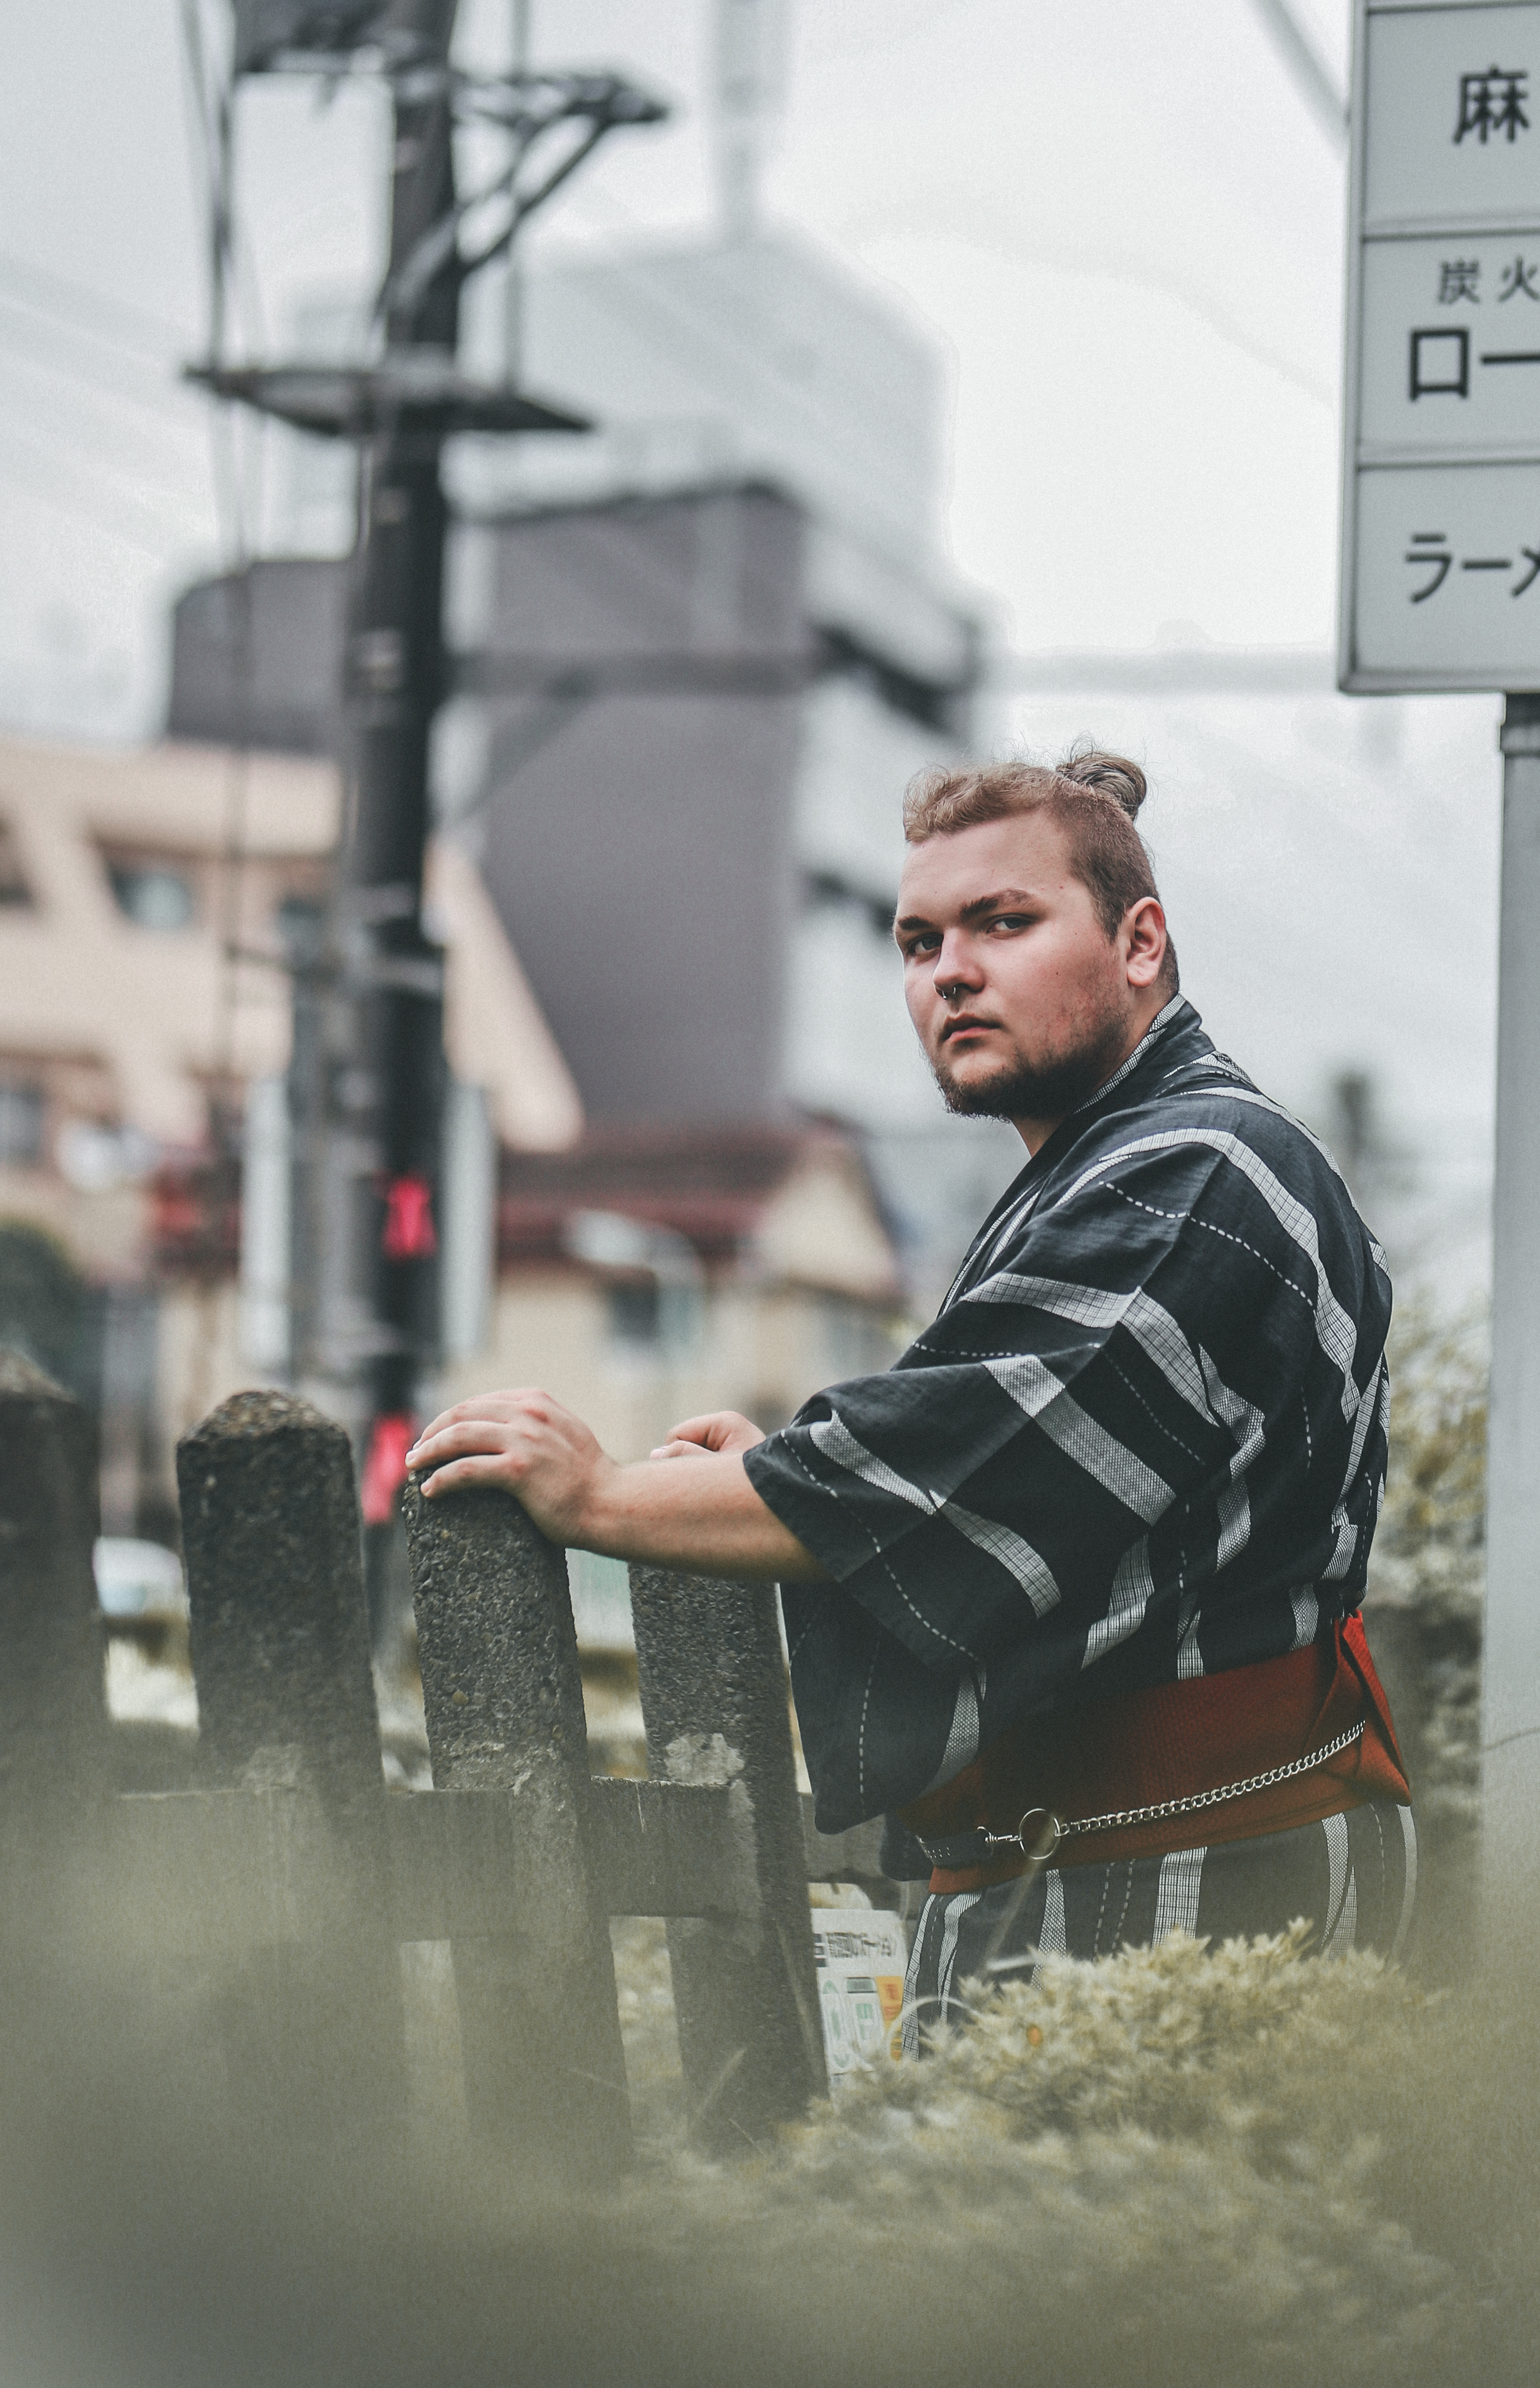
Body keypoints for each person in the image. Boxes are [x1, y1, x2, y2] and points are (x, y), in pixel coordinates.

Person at [407, 750, 1413, 2032]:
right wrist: (771, 1478)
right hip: (1128, 1856)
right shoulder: (1125, 1161)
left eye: (1006, 923)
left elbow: (951, 1471)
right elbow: (1010, 1468)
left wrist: (599, 1495)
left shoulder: (1200, 1171)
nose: (951, 971)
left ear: (1141, 942)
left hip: (1181, 1879)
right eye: (919, 940)